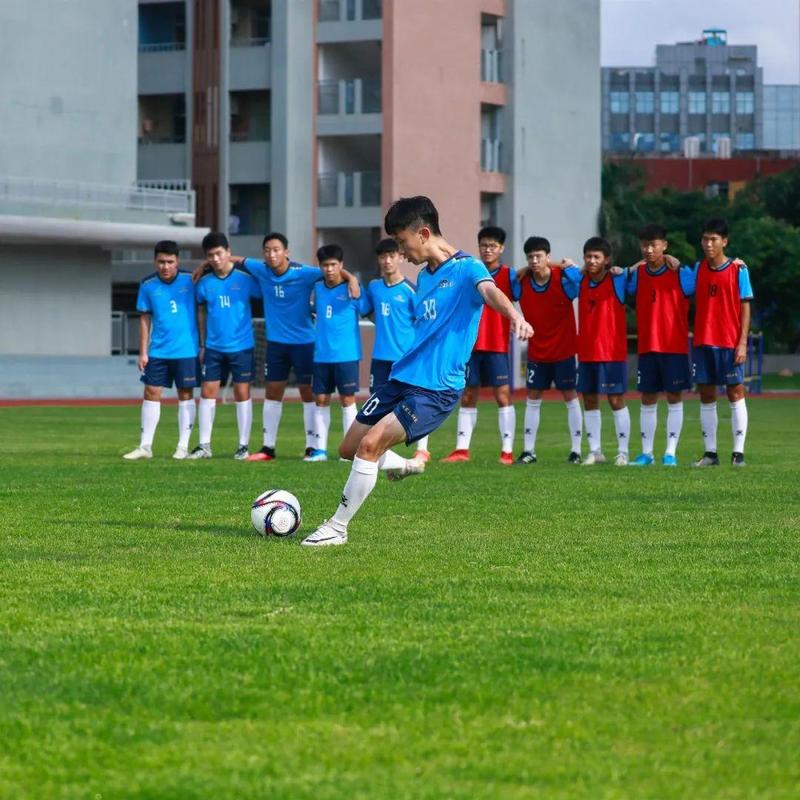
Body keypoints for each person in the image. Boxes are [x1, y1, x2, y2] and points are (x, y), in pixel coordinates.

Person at [301, 196, 532, 547]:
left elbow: (490, 291)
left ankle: (337, 527)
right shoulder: (424, 276)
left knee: (370, 445)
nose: (401, 253)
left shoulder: (467, 268)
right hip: (401, 377)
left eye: (402, 242)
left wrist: (515, 316)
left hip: (435, 389)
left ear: (423, 233)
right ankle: (401, 465)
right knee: (349, 447)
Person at [207, 233, 360, 462]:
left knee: (308, 394)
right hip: (276, 345)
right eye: (267, 250)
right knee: (272, 393)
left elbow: (331, 270)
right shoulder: (260, 269)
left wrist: (352, 278)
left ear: (286, 252)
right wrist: (204, 266)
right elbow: (235, 259)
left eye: (276, 249)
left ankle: (312, 447)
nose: (272, 254)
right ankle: (268, 448)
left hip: (304, 343)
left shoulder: (304, 273)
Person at [440, 226, 520, 465]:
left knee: (502, 395)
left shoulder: (510, 275)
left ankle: (507, 452)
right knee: (467, 395)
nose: (488, 250)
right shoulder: (470, 271)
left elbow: (530, 282)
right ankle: (461, 450)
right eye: (484, 245)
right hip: (470, 345)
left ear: (501, 248)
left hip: (496, 344)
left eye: (492, 246)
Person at [625, 224, 695, 467]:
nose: (648, 249)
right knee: (647, 397)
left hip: (674, 346)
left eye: (653, 245)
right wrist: (636, 265)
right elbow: (619, 280)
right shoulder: (638, 275)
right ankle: (646, 453)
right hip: (647, 346)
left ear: (664, 245)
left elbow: (708, 280)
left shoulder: (681, 273)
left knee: (674, 397)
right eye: (644, 245)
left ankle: (670, 453)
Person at [189, 232, 261, 460]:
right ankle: (204, 445)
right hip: (213, 347)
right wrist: (202, 343)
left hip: (242, 346)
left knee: (242, 392)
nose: (216, 259)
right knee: (207, 392)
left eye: (219, 253)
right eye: (210, 255)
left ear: (228, 251)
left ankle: (243, 446)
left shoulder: (245, 279)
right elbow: (201, 312)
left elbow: (264, 280)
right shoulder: (204, 283)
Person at [123, 240, 199, 460]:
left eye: (170, 262)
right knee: (151, 392)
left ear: (178, 261)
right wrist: (143, 352)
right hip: (158, 351)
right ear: (154, 261)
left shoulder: (191, 280)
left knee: (185, 394)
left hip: (186, 349)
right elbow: (145, 319)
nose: (166, 266)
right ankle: (145, 447)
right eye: (161, 262)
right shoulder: (147, 285)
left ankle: (182, 447)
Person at [691, 218, 754, 467]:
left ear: (724, 242)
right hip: (703, 341)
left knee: (735, 391)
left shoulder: (739, 270)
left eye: (714, 239)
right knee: (706, 394)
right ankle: (711, 453)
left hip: (729, 342)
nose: (709, 244)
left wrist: (742, 342)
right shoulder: (698, 269)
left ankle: (738, 454)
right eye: (705, 239)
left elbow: (745, 307)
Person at [515, 236, 583, 464]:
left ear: (548, 256)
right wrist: (525, 269)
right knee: (533, 397)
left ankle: (576, 451)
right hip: (537, 351)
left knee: (570, 396)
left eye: (539, 256)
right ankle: (528, 451)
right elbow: (505, 282)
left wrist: (561, 266)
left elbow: (581, 280)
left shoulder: (563, 280)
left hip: (564, 350)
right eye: (530, 257)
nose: (534, 261)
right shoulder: (523, 282)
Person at [361, 237, 430, 461]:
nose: (387, 261)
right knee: (377, 401)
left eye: (391, 256)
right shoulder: (374, 287)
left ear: (400, 257)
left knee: (414, 401)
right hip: (380, 357)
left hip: (405, 358)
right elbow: (368, 312)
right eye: (383, 257)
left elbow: (422, 322)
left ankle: (422, 449)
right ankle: (380, 449)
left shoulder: (410, 289)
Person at [305, 244, 366, 462]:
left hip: (346, 355)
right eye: (325, 265)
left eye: (333, 264)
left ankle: (349, 452)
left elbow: (367, 310)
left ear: (341, 265)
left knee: (347, 400)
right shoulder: (317, 287)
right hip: (322, 354)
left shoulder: (353, 289)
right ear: (320, 266)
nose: (329, 269)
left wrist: (352, 279)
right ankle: (320, 450)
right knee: (321, 399)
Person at [576, 236, 631, 466]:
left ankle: (623, 452)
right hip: (587, 352)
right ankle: (595, 451)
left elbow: (643, 267)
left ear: (607, 260)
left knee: (615, 399)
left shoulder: (618, 279)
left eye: (596, 257)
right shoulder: (579, 280)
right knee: (589, 399)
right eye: (588, 257)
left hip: (612, 352)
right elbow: (552, 266)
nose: (591, 261)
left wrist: (623, 269)